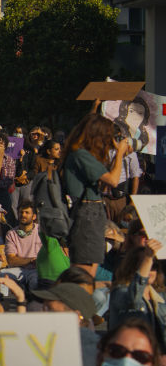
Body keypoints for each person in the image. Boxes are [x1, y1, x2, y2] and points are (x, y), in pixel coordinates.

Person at [64, 113, 130, 272]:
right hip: (87, 213)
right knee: (86, 269)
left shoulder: (85, 156)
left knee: (92, 265)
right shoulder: (81, 155)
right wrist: (119, 153)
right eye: (108, 135)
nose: (110, 139)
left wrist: (117, 155)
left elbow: (104, 183)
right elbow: (113, 181)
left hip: (93, 211)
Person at [108, 243, 166, 352]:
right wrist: (148, 258)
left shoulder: (161, 297)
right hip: (131, 355)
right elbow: (134, 299)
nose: (149, 270)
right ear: (131, 267)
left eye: (154, 266)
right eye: (144, 264)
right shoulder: (120, 292)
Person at [3, 200, 41, 291]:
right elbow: (11, 260)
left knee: (35, 283)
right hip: (18, 270)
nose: (23, 215)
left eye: (27, 213)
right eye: (21, 212)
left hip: (36, 270)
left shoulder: (41, 231)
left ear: (34, 216)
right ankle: (2, 302)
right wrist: (31, 260)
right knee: (1, 276)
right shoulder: (11, 234)